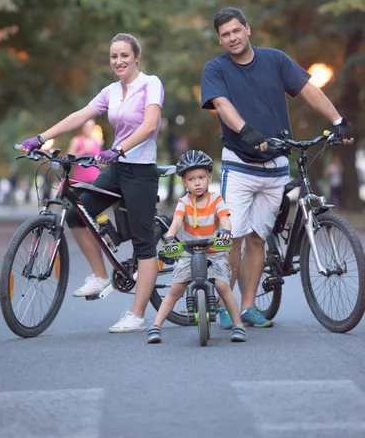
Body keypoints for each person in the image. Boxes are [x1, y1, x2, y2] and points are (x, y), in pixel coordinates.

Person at [201, 7, 355, 329]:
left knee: (258, 238)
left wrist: (337, 120)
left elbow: (308, 89)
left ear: (248, 29)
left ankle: (247, 308)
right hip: (240, 166)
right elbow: (222, 105)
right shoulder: (216, 69)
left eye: (236, 31)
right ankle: (224, 302)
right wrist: (245, 131)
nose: (232, 38)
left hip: (275, 166)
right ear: (220, 39)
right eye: (225, 35)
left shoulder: (275, 60)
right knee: (234, 237)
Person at [21, 32, 164, 333]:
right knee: (76, 214)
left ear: (136, 56)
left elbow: (150, 125)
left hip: (140, 170)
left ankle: (137, 315)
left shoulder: (151, 84)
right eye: (114, 56)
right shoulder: (111, 91)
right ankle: (100, 276)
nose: (119, 61)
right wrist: (42, 138)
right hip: (117, 169)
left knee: (143, 243)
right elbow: (81, 115)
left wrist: (118, 149)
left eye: (124, 55)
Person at [147, 150, 247, 344]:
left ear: (209, 176)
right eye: (191, 179)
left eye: (201, 177)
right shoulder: (183, 202)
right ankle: (156, 326)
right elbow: (176, 222)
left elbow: (225, 219)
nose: (197, 183)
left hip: (214, 251)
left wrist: (226, 231)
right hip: (188, 251)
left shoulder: (216, 199)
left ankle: (238, 325)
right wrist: (169, 236)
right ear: (185, 182)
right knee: (176, 288)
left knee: (222, 286)